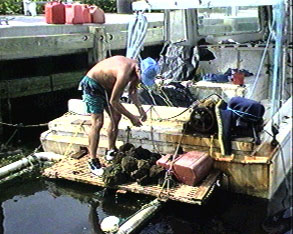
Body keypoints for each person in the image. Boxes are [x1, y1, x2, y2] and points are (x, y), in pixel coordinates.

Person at [79, 55, 147, 176]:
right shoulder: (124, 72)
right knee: (98, 122)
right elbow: (114, 101)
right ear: (138, 70)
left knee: (116, 116)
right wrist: (132, 117)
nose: (139, 79)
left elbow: (132, 92)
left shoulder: (137, 69)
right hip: (92, 85)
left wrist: (141, 110)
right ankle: (92, 160)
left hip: (107, 87)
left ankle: (111, 150)